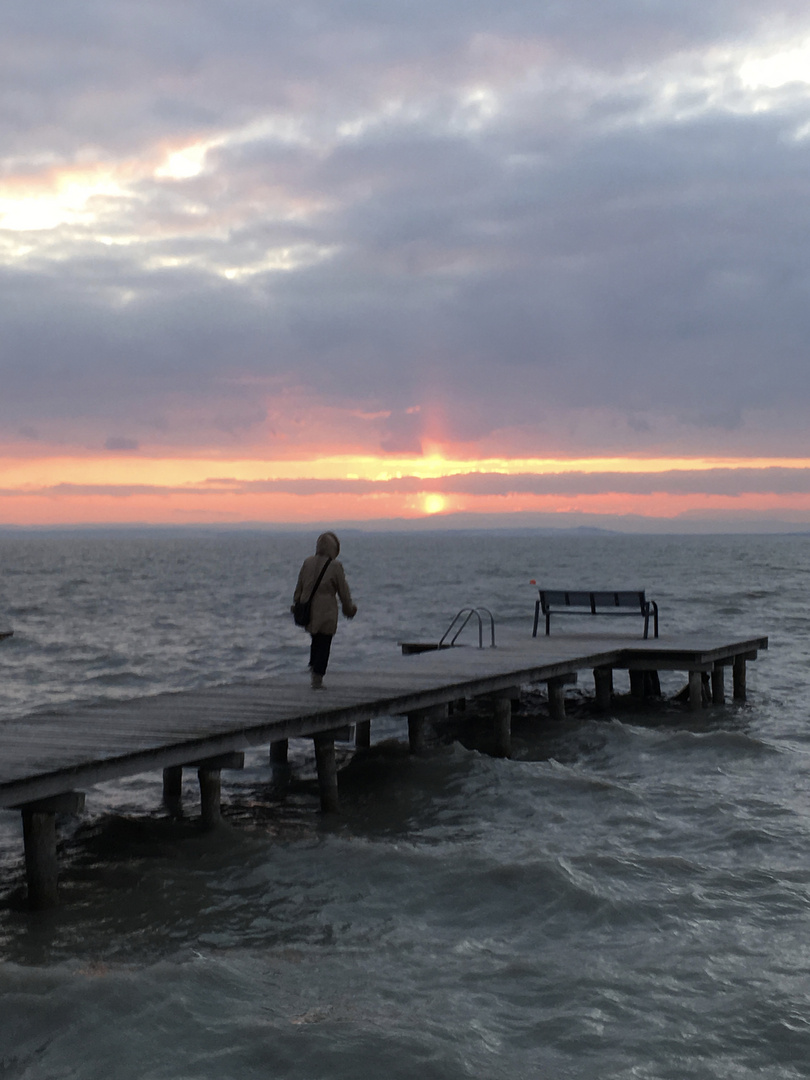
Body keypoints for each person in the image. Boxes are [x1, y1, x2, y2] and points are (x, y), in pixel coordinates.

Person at [292, 531, 357, 688]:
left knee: (316, 640)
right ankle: (317, 677)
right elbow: (344, 592)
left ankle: (313, 668)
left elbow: (298, 591)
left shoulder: (307, 563)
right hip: (326, 612)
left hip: (309, 611)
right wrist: (350, 610)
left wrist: (298, 605)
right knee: (324, 642)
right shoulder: (335, 566)